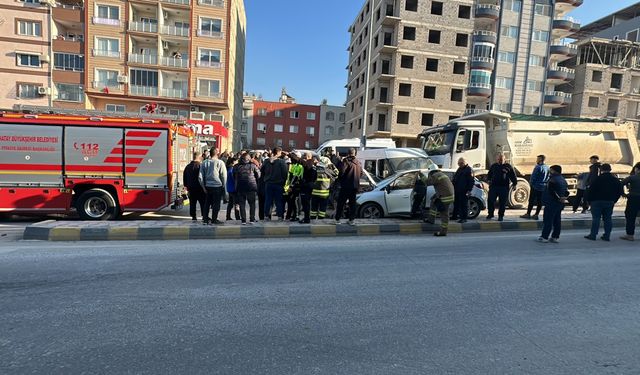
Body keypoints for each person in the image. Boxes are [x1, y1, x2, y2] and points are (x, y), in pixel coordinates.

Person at [585, 163, 624, 242]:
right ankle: (607, 235)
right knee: (607, 219)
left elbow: (591, 190)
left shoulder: (597, 179)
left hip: (596, 201)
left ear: (601, 170)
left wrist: (589, 201)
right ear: (610, 170)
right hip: (609, 201)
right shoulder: (615, 180)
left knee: (596, 219)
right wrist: (614, 200)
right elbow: (619, 191)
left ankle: (593, 235)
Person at [537, 165, 569, 243]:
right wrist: (564, 198)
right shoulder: (563, 180)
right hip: (560, 204)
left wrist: (558, 198)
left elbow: (552, 192)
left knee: (548, 220)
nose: (549, 171)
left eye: (551, 170)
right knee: (557, 220)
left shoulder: (552, 180)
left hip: (551, 203)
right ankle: (555, 237)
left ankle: (545, 237)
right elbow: (567, 192)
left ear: (554, 171)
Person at [421, 169, 455, 236]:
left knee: (444, 214)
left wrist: (421, 175)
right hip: (447, 195)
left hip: (445, 197)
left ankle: (443, 232)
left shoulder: (435, 175)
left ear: (431, 173)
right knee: (433, 200)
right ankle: (431, 219)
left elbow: (427, 182)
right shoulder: (442, 174)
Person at [198, 149, 227, 225]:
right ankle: (214, 219)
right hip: (217, 186)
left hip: (207, 186)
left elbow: (200, 177)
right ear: (217, 153)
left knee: (207, 203)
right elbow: (224, 176)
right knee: (216, 204)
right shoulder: (220, 163)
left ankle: (205, 219)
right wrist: (224, 186)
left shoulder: (204, 163)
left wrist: (203, 187)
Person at [335, 148, 363, 226]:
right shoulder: (358, 162)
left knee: (341, 203)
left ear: (348, 153)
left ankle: (337, 219)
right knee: (352, 204)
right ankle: (351, 220)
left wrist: (341, 180)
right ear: (355, 153)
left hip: (345, 186)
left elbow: (341, 172)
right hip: (354, 187)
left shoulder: (346, 161)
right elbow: (361, 173)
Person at [486, 153, 517, 221]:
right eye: (499, 159)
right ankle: (490, 214)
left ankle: (501, 216)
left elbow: (513, 176)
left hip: (503, 187)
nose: (500, 161)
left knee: (502, 203)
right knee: (491, 201)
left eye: (501, 159)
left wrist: (515, 184)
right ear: (497, 159)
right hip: (494, 187)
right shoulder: (494, 166)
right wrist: (488, 180)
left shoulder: (508, 166)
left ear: (504, 159)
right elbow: (489, 174)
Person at [262, 147, 288, 221]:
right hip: (278, 184)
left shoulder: (266, 161)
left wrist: (266, 178)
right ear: (278, 152)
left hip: (268, 183)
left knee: (268, 200)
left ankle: (266, 216)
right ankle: (280, 216)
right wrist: (283, 182)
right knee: (279, 201)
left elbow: (262, 171)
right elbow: (285, 173)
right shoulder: (281, 162)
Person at [234, 152, 261, 225]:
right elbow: (259, 175)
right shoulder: (253, 166)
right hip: (251, 186)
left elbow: (235, 176)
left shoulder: (236, 166)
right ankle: (252, 219)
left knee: (242, 204)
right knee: (252, 204)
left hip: (240, 186)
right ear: (249, 159)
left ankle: (243, 220)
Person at [522, 155, 550, 220]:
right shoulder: (547, 167)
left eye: (537, 159)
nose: (536, 160)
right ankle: (536, 214)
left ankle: (528, 213)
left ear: (540, 159)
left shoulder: (538, 167)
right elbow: (548, 177)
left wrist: (531, 184)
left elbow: (533, 177)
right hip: (543, 186)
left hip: (535, 186)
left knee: (531, 200)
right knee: (539, 201)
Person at [311, 156, 338, 220]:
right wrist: (332, 165)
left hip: (314, 193)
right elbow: (336, 174)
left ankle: (312, 219)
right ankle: (320, 220)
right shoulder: (327, 170)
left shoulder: (314, 169)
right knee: (322, 209)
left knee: (313, 208)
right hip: (324, 194)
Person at [183, 151, 205, 221]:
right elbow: (203, 177)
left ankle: (193, 216)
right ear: (199, 157)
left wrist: (186, 187)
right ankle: (204, 215)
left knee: (192, 203)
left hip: (191, 188)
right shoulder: (200, 166)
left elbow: (185, 178)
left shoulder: (188, 167)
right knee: (202, 202)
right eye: (201, 156)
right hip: (200, 188)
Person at [621, 162, 640, 241]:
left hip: (633, 198)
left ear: (637, 169)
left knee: (630, 216)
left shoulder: (633, 177)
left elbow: (620, 184)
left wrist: (623, 194)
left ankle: (630, 235)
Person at [451, 157, 474, 223]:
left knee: (463, 204)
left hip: (464, 191)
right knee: (456, 204)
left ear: (464, 163)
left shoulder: (469, 170)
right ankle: (455, 216)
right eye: (458, 163)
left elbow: (471, 181)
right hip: (457, 190)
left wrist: (469, 190)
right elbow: (456, 178)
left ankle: (464, 218)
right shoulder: (460, 169)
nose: (459, 165)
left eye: (460, 163)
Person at [284, 153, 303, 222]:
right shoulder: (294, 166)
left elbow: (295, 177)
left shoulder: (298, 166)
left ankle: (296, 215)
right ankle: (291, 215)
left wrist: (291, 186)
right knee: (291, 202)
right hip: (291, 186)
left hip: (295, 187)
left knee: (294, 201)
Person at [298, 152, 317, 224]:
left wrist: (304, 182)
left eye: (304, 156)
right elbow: (315, 177)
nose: (303, 157)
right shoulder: (313, 164)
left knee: (305, 203)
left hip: (306, 186)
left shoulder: (308, 164)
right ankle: (306, 217)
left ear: (308, 157)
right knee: (307, 203)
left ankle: (306, 219)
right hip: (310, 185)